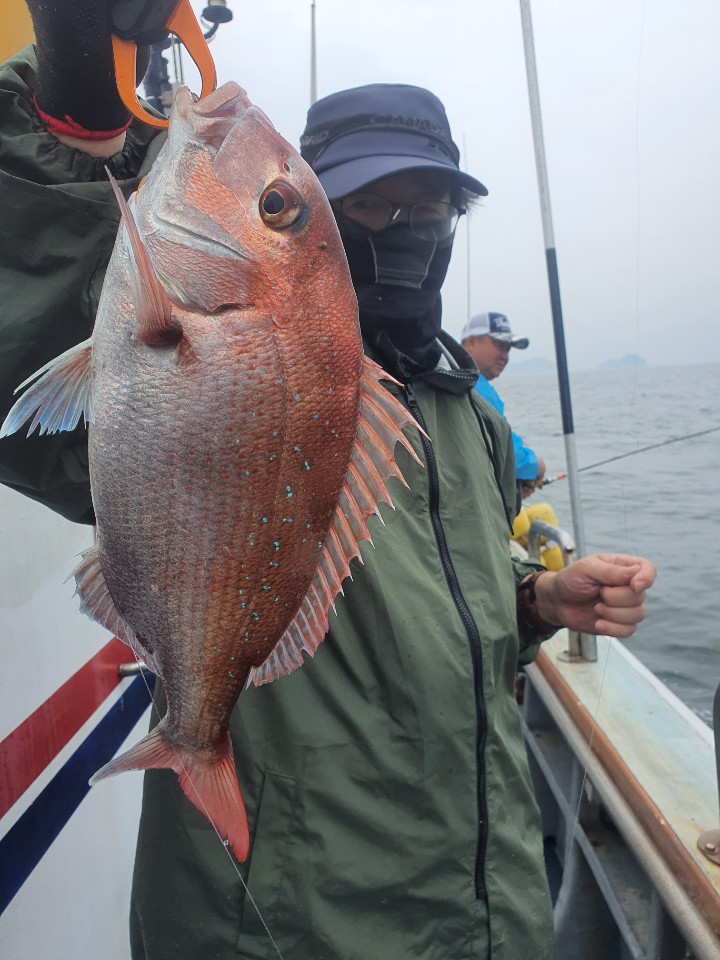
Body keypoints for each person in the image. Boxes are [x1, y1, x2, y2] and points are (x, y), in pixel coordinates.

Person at [0, 7, 656, 959]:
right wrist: (74, 104)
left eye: (435, 212)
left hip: (490, 909)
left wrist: (540, 598)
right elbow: (24, 328)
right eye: (374, 208)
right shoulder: (223, 351)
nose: (412, 233)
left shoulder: (467, 412)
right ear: (325, 223)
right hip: (293, 927)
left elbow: (450, 621)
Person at [462, 311, 545, 499]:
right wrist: (535, 466)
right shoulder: (472, 386)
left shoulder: (453, 375)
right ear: (471, 343)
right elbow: (505, 450)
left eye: (508, 349)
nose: (504, 356)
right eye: (499, 345)